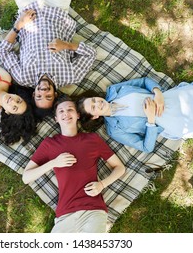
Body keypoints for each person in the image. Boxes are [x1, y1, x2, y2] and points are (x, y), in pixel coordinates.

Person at [0, 0, 96, 118]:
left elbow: (3, 52)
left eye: (39, 96)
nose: (43, 91)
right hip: (57, 10)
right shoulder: (70, 76)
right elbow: (91, 53)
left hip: (28, 11)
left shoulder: (23, 77)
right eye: (48, 96)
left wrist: (18, 25)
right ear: (55, 94)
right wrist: (67, 45)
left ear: (33, 94)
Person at [22, 96, 125, 233]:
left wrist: (102, 184)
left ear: (77, 115)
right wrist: (54, 163)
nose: (66, 113)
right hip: (65, 213)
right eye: (61, 111)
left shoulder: (92, 139)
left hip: (93, 210)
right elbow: (26, 177)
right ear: (56, 119)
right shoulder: (49, 144)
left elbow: (120, 167)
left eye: (70, 109)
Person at [77, 77, 193, 153]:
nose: (98, 102)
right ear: (94, 117)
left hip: (172, 98)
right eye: (94, 107)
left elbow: (144, 81)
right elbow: (146, 147)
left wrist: (157, 92)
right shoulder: (114, 130)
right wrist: (151, 120)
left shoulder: (114, 90)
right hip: (174, 120)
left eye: (94, 99)